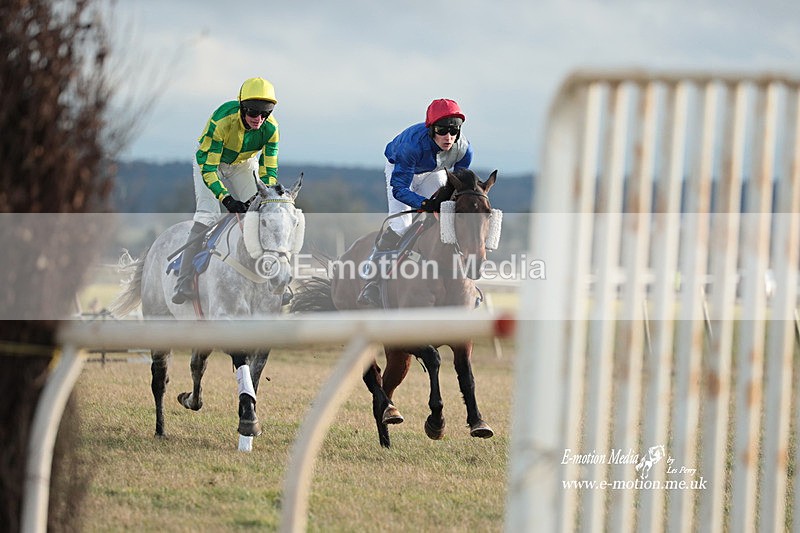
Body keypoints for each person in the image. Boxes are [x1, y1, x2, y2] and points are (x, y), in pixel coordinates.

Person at [172, 77, 280, 305]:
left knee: (262, 213)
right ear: (241, 106)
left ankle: (274, 277)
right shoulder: (222, 120)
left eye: (265, 113)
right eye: (253, 112)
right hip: (210, 163)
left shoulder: (271, 129)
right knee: (208, 216)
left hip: (242, 165)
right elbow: (209, 169)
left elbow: (268, 171)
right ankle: (183, 280)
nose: (259, 119)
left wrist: (266, 196)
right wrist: (227, 199)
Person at [357, 98, 473, 307]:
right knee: (401, 227)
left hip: (433, 171)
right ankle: (371, 282)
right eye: (442, 130)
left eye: (454, 131)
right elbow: (400, 189)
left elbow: (457, 186)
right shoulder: (411, 146)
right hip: (401, 172)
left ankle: (464, 284)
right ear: (431, 129)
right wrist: (425, 204)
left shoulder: (464, 150)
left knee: (445, 221)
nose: (448, 137)